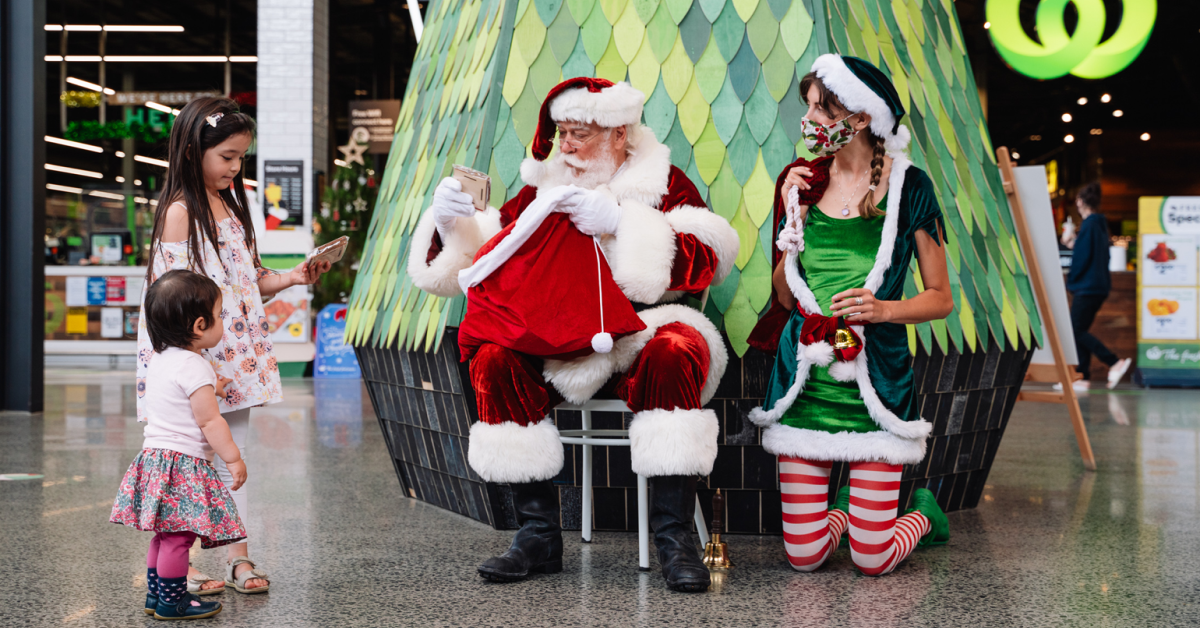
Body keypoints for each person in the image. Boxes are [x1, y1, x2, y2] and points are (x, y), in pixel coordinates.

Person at [407, 77, 739, 592]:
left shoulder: (663, 182)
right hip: (554, 335)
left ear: (619, 134)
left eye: (578, 134)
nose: (565, 146)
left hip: (638, 332)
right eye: (561, 133)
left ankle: (675, 539)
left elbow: (711, 256)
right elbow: (487, 258)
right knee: (494, 356)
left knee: (678, 348)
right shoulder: (545, 188)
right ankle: (537, 534)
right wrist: (454, 223)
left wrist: (624, 223)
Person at [747, 55, 952, 576]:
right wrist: (789, 220)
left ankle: (922, 515)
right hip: (806, 384)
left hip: (874, 387)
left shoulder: (911, 188)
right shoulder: (799, 183)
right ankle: (843, 514)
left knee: (872, 559)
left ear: (860, 118)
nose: (811, 119)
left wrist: (884, 309)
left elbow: (941, 297)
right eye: (809, 106)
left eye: (823, 108)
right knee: (806, 558)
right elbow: (787, 299)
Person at [136, 97, 330, 595]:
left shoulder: (230, 204)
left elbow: (245, 282)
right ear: (192, 152)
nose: (235, 166)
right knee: (184, 460)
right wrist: (194, 366)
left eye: (241, 156)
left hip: (234, 354)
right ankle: (181, 563)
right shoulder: (181, 214)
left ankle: (237, 556)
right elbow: (169, 300)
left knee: (231, 458)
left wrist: (292, 277)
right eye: (226, 156)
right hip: (196, 361)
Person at [111, 270, 247, 619]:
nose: (221, 323)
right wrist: (233, 458)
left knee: (163, 536)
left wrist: (211, 386)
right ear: (200, 325)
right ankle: (174, 602)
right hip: (183, 463)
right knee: (179, 538)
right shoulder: (196, 365)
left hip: (154, 459)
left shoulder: (160, 360)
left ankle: (157, 596)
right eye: (219, 316)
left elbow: (179, 396)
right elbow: (209, 420)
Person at [1060, 182, 1131, 390]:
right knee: (1079, 330)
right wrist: (1071, 241)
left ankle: (1114, 362)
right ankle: (1082, 377)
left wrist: (1071, 281)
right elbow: (1088, 250)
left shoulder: (1090, 224)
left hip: (1087, 288)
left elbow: (1081, 258)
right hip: (1098, 287)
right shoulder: (1099, 225)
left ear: (1080, 202)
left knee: (1075, 330)